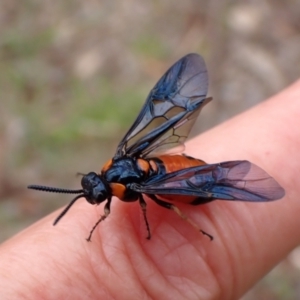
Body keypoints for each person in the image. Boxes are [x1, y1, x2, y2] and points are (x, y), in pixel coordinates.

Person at [1, 80, 299, 300]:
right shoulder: (122, 156)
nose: (96, 196)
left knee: (175, 202)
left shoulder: (134, 188)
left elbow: (142, 205)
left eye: (97, 193)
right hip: (163, 164)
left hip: (180, 177)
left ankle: (208, 202)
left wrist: (141, 223)